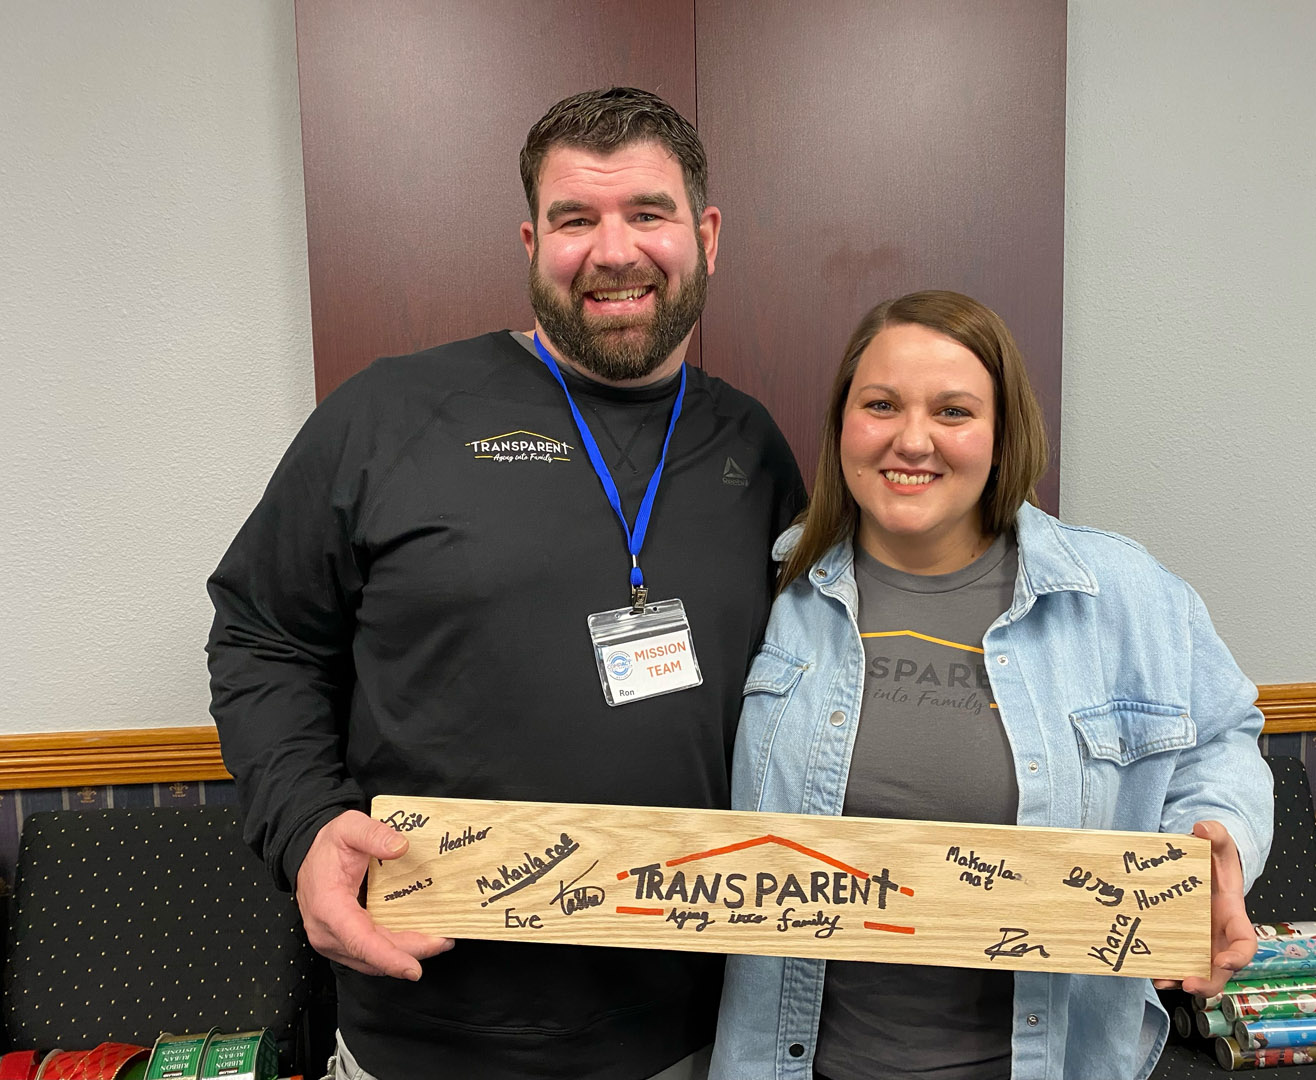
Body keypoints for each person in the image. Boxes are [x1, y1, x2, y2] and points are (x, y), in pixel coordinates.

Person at [207, 87, 805, 1080]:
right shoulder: (387, 416)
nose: (613, 251)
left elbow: (830, 686)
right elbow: (263, 637)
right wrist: (304, 829)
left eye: (646, 213)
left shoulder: (750, 445)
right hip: (426, 1029)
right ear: (531, 240)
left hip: (698, 1037)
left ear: (704, 234)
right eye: (576, 219)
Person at [709, 290, 1273, 1080]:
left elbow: (1223, 739)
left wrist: (1219, 839)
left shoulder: (1121, 594)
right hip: (796, 1062)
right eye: (880, 405)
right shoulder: (773, 589)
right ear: (843, 425)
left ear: (1003, 436)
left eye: (953, 411)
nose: (913, 440)